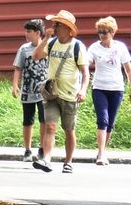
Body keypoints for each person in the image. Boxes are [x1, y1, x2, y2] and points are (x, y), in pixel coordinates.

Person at [31, 10, 89, 173]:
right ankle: (47, 160)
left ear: (67, 28)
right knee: (50, 126)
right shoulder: (51, 43)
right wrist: (47, 38)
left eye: (57, 25)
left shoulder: (77, 46)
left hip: (70, 95)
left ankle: (68, 161)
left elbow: (85, 73)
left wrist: (83, 90)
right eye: (54, 24)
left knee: (69, 130)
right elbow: (36, 56)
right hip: (52, 93)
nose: (54, 27)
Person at [86, 16, 131, 165]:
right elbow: (86, 63)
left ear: (112, 32)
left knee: (110, 123)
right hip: (99, 88)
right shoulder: (94, 47)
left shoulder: (120, 47)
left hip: (117, 88)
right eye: (99, 32)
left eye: (104, 32)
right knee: (102, 120)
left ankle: (102, 151)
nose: (101, 35)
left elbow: (128, 70)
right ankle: (101, 154)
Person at [11, 19, 48, 163]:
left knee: (44, 120)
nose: (26, 34)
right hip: (28, 90)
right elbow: (18, 68)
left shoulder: (47, 47)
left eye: (29, 31)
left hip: (44, 91)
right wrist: (15, 85)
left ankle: (42, 148)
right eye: (25, 31)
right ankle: (27, 149)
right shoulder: (24, 49)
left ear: (38, 33)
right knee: (28, 121)